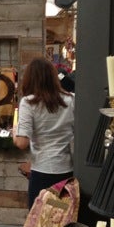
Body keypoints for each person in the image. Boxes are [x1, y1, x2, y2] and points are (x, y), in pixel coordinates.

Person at [13, 57, 75, 208]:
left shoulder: (29, 102)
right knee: (62, 216)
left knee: (39, 218)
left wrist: (15, 131)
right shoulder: (71, 99)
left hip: (42, 173)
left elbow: (22, 143)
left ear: (30, 79)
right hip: (66, 172)